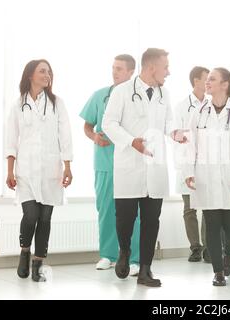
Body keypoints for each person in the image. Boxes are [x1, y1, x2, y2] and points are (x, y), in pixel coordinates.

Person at [102, 48, 187, 287]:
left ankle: (145, 270)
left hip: (155, 165)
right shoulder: (122, 91)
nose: (168, 72)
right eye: (166, 67)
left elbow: (169, 121)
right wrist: (131, 141)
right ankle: (125, 251)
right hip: (129, 163)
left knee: (152, 220)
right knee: (125, 218)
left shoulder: (164, 94)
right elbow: (108, 123)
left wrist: (176, 133)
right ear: (152, 67)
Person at [5, 59, 73, 282]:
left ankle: (38, 263)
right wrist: (10, 171)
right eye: (42, 71)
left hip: (51, 170)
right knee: (31, 214)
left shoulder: (56, 103)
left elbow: (65, 136)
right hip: (26, 169)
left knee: (45, 217)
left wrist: (67, 166)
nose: (47, 75)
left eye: (49, 72)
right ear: (30, 75)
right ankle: (25, 251)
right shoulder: (18, 105)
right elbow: (11, 140)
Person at [185, 68, 230, 286]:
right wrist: (188, 171)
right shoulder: (199, 111)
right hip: (206, 177)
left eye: (212, 79)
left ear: (225, 84)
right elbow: (190, 143)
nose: (208, 82)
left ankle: (228, 256)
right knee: (212, 226)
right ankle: (218, 272)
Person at [80, 54, 141, 274]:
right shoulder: (99, 96)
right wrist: (94, 137)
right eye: (113, 67)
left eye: (120, 68)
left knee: (133, 212)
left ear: (131, 72)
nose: (114, 72)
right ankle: (108, 254)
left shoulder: (138, 96)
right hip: (105, 162)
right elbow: (87, 125)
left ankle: (134, 258)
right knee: (106, 210)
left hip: (131, 161)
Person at [174, 66, 210, 263]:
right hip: (187, 162)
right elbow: (177, 135)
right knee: (189, 208)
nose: (209, 82)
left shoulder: (213, 104)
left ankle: (208, 247)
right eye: (207, 78)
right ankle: (195, 247)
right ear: (196, 81)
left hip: (207, 164)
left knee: (207, 207)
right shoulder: (182, 106)